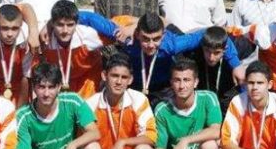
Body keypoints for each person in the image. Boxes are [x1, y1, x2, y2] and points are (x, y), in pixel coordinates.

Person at [78, 11, 244, 103]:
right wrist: (64, 19)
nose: (151, 45)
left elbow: (213, 34)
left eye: (156, 39)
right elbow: (89, 18)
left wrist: (236, 64)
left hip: (163, 90)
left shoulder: (172, 44)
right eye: (145, 39)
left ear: (163, 35)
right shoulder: (126, 38)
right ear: (137, 34)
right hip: (133, 87)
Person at [23, 0, 111, 100]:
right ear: (52, 24)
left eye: (70, 25)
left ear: (77, 23)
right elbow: (33, 67)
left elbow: (118, 30)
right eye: (60, 25)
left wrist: (120, 32)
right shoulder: (43, 38)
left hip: (87, 82)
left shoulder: (88, 35)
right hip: (60, 82)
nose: (65, 30)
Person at [187, 26, 239, 111]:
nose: (211, 57)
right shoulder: (193, 58)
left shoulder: (231, 66)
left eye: (217, 53)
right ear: (202, 47)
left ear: (225, 49)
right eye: (207, 51)